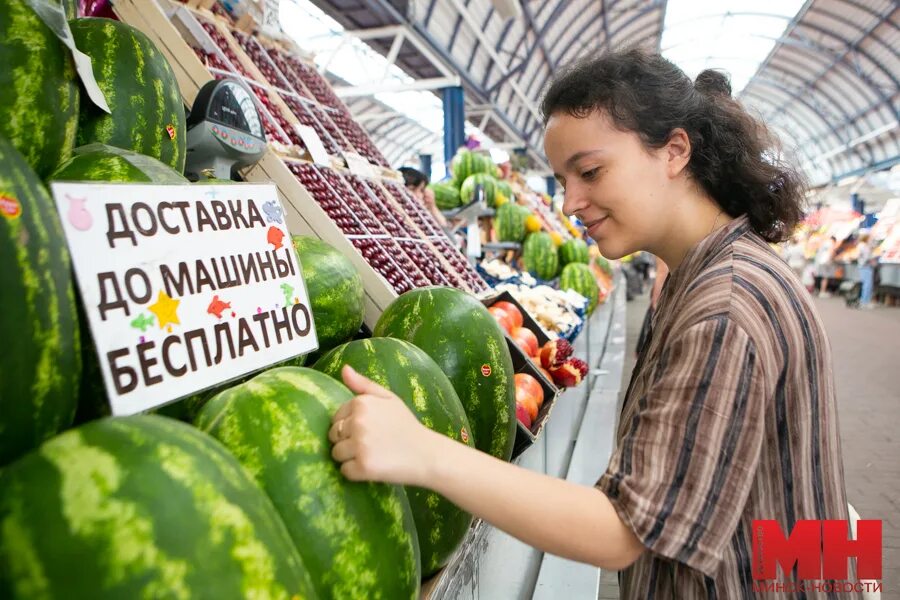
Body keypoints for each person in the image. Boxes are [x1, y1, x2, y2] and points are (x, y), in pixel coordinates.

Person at [328, 49, 857, 598]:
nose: (571, 202)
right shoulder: (716, 271)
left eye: (591, 171)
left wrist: (423, 453)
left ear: (675, 151)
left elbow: (622, 530)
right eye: (562, 179)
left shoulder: (724, 309)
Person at [857, 232, 875, 309]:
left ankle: (863, 300)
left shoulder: (860, 245)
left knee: (865, 284)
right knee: (868, 284)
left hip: (861, 266)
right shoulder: (865, 246)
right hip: (866, 266)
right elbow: (868, 257)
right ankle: (865, 301)